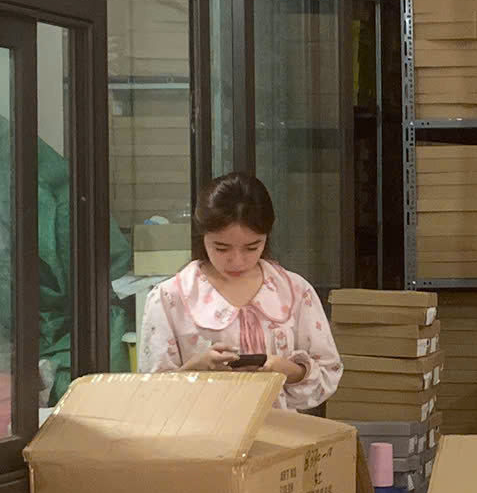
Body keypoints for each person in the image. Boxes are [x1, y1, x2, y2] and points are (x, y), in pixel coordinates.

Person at [137, 172, 343, 413]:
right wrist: (195, 370)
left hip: (280, 432)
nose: (237, 261)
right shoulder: (170, 298)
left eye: (252, 247)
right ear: (203, 237)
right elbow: (152, 394)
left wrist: (291, 371)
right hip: (200, 434)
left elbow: (329, 372)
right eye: (221, 248)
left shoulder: (295, 291)